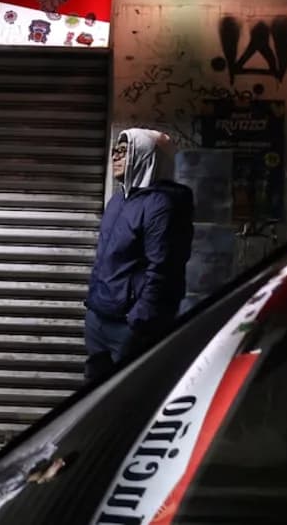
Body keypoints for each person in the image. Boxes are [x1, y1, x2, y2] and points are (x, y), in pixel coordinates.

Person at [83, 128, 194, 384]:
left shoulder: (162, 205)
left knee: (126, 399)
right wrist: (92, 307)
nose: (116, 157)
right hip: (99, 317)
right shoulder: (118, 200)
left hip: (127, 327)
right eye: (115, 150)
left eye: (124, 151)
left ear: (146, 155)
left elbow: (163, 270)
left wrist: (138, 321)